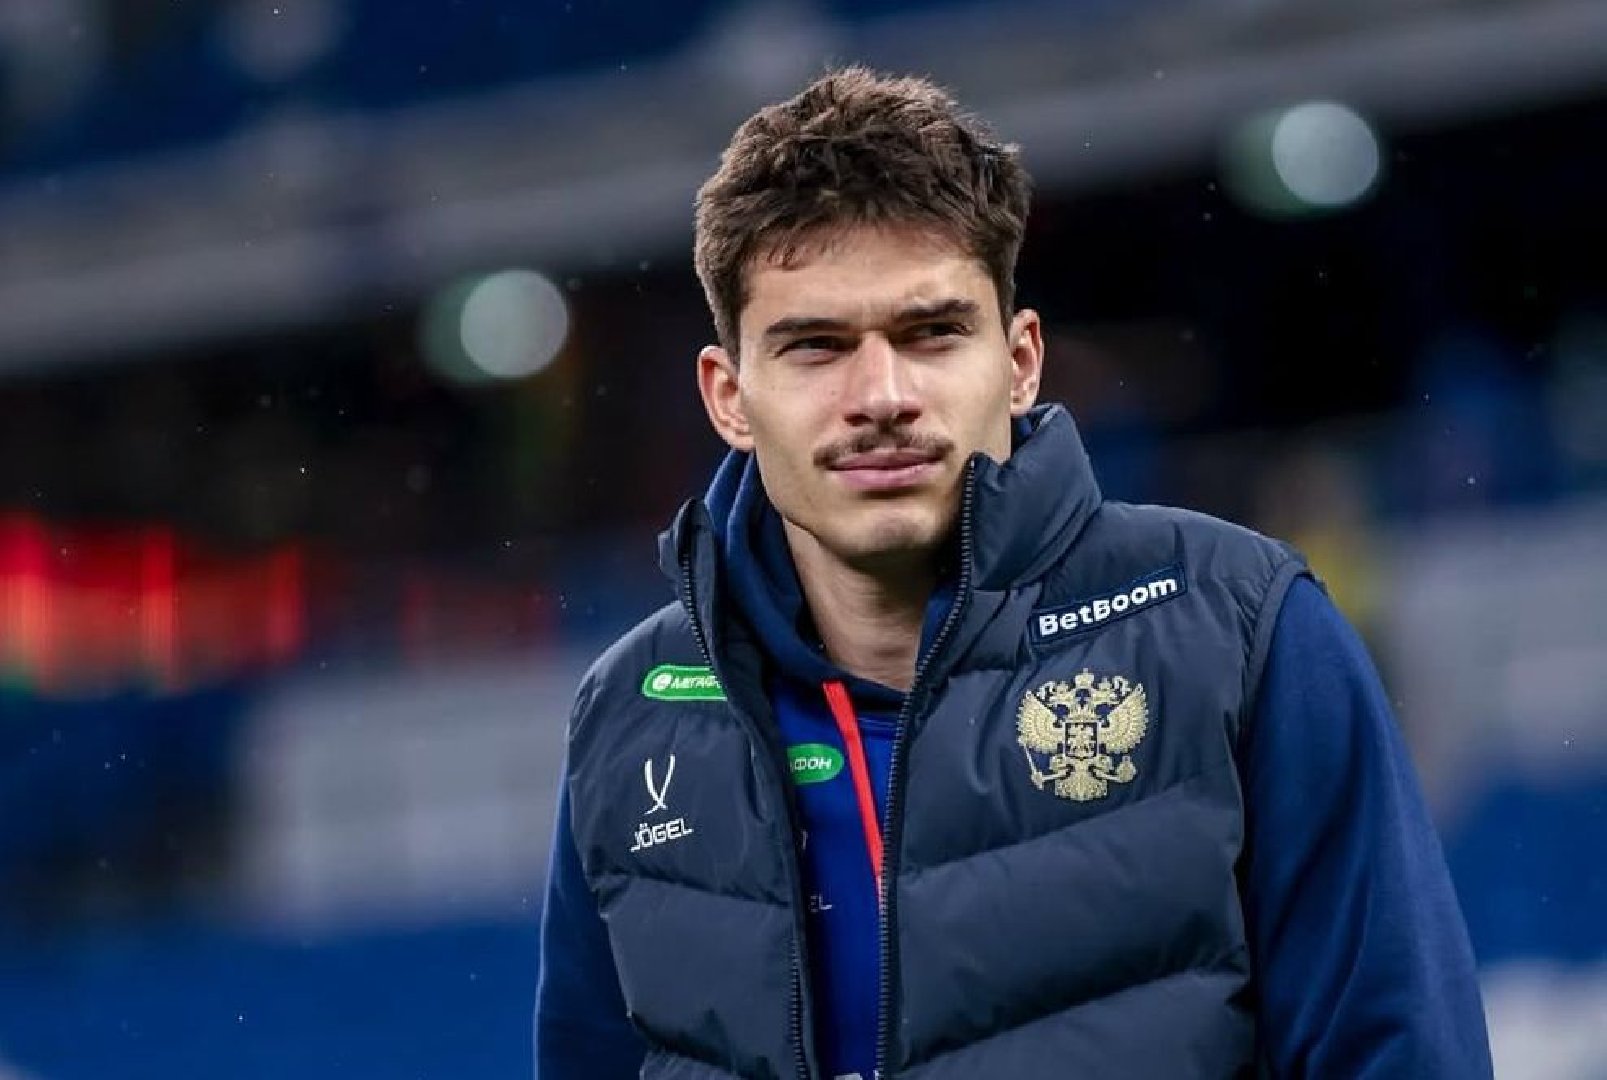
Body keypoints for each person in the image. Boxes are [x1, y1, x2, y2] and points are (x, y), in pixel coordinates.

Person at [534, 66, 1493, 1079]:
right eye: (815, 346)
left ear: (1020, 360)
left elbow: (1397, 1052)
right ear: (729, 396)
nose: (881, 394)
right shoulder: (631, 721)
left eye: (930, 333)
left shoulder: (1239, 629)